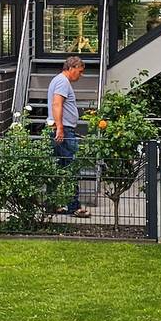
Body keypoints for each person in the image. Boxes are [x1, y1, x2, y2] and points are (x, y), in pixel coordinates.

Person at [48, 55, 89, 218]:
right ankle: (73, 206)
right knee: (71, 167)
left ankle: (54, 203)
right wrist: (60, 128)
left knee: (60, 167)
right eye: (79, 71)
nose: (80, 75)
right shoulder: (62, 82)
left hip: (62, 129)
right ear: (71, 68)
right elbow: (57, 104)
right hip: (64, 131)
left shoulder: (58, 80)